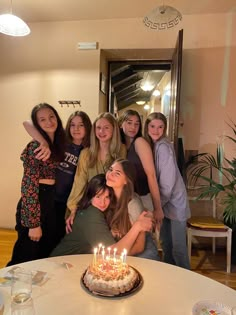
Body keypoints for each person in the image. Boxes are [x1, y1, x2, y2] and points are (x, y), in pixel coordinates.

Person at [7, 103, 66, 265]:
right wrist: (33, 223)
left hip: (50, 201)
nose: (49, 122)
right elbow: (29, 185)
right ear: (37, 124)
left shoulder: (56, 144)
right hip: (34, 202)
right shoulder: (36, 147)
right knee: (24, 258)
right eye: (42, 120)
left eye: (52, 117)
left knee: (43, 255)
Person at [23, 111, 92, 243]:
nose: (76, 129)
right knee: (37, 241)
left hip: (65, 203)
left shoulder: (88, 151)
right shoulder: (60, 141)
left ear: (87, 127)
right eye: (72, 125)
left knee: (56, 240)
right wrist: (43, 141)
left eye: (81, 125)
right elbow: (27, 123)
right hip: (47, 197)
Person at [50, 174, 153, 256]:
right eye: (98, 197)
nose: (102, 203)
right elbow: (114, 254)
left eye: (107, 197)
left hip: (74, 264)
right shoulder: (91, 215)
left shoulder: (99, 212)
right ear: (90, 196)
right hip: (62, 265)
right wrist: (138, 227)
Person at [144, 112, 190, 269]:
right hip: (165, 203)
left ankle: (186, 280)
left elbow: (168, 183)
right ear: (147, 127)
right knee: (166, 244)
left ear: (165, 128)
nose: (156, 130)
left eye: (160, 127)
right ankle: (171, 278)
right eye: (152, 126)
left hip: (174, 203)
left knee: (178, 248)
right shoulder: (154, 145)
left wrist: (157, 207)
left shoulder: (163, 147)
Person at [66, 112, 126, 232]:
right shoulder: (86, 154)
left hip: (112, 207)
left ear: (114, 130)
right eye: (98, 127)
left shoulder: (121, 150)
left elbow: (123, 184)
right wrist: (73, 209)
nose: (101, 131)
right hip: (91, 207)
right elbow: (79, 182)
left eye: (106, 127)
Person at [105, 158, 159, 260]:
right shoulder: (109, 198)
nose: (110, 174)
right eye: (110, 169)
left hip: (144, 256)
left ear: (126, 180)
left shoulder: (132, 204)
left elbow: (140, 246)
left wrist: (116, 254)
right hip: (125, 254)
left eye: (117, 173)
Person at [118, 109, 164, 226]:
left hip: (143, 198)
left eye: (136, 123)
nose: (133, 127)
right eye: (129, 122)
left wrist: (158, 208)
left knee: (146, 239)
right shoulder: (120, 146)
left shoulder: (140, 142)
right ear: (121, 123)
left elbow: (151, 175)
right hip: (128, 199)